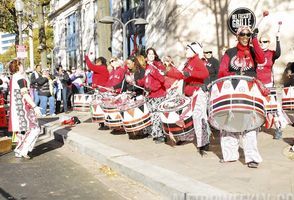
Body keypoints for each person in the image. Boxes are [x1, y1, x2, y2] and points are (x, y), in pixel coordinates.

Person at [218, 26, 265, 168]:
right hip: (232, 90)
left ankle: (252, 158)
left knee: (250, 124)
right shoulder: (230, 52)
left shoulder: (253, 51)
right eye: (242, 35)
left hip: (250, 91)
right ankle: (230, 155)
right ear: (237, 36)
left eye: (248, 35)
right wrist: (233, 76)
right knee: (228, 123)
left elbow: (262, 59)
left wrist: (255, 40)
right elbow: (221, 71)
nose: (245, 37)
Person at [8, 59, 42, 159]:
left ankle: (19, 150)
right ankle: (23, 149)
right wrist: (34, 107)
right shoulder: (20, 77)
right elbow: (25, 94)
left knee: (23, 131)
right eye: (21, 65)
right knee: (35, 128)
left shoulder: (13, 77)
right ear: (18, 66)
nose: (23, 66)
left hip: (16, 110)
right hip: (22, 109)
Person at [181, 42, 210, 154]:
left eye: (187, 49)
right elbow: (183, 75)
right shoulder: (188, 62)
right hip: (190, 93)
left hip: (198, 92)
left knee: (199, 117)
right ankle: (200, 141)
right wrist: (169, 72)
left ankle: (203, 143)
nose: (185, 51)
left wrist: (190, 73)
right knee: (195, 118)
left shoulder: (197, 61)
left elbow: (205, 74)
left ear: (194, 51)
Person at [137, 48, 167, 143]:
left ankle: (161, 135)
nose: (150, 56)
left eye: (152, 54)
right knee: (153, 116)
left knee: (158, 115)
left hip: (158, 94)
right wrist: (139, 82)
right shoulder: (148, 67)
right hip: (149, 95)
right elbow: (147, 80)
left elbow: (162, 79)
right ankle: (156, 133)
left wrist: (153, 88)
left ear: (155, 55)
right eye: (148, 54)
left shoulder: (158, 65)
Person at [256, 33, 282, 139]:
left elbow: (278, 53)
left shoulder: (271, 53)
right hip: (256, 84)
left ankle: (278, 128)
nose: (262, 44)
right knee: (256, 106)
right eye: (260, 41)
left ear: (269, 42)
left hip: (268, 84)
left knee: (272, 108)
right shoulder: (256, 53)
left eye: (265, 41)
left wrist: (278, 39)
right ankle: (255, 127)